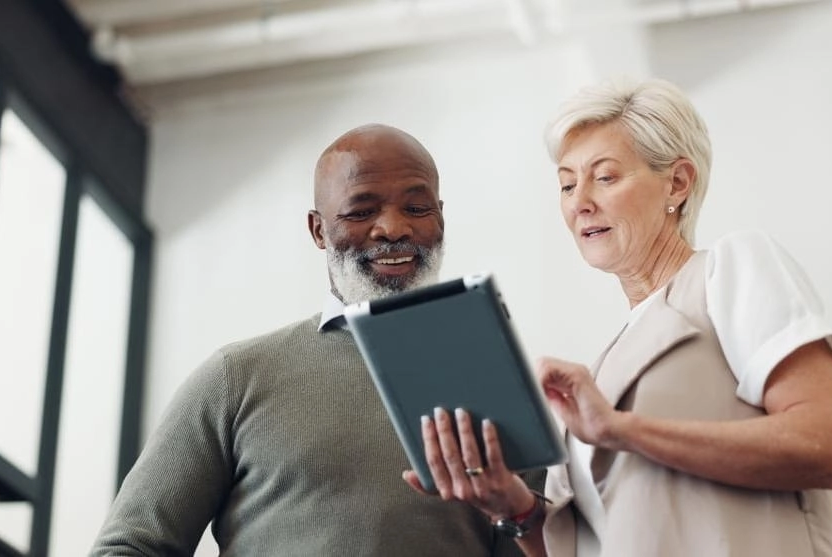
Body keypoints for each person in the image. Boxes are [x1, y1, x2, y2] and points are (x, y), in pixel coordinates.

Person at [409, 79, 832, 557]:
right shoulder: (597, 376)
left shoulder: (731, 269)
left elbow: (829, 446)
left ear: (678, 182)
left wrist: (622, 430)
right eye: (566, 184)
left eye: (604, 177)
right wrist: (510, 506)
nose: (580, 200)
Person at [91, 124, 536, 556]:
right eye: (361, 211)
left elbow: (550, 544)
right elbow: (130, 548)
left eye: (417, 209)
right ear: (318, 230)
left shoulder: (496, 386)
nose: (393, 229)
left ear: (441, 217)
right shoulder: (236, 378)